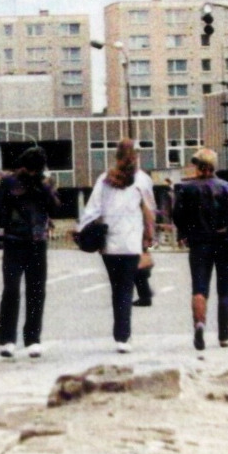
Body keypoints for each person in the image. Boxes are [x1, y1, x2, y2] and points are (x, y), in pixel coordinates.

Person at [78, 139, 156, 353]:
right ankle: (123, 336)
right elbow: (149, 211)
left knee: (116, 288)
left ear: (116, 156)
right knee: (126, 288)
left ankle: (120, 335)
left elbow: (93, 209)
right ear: (136, 156)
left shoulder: (104, 179)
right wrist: (149, 237)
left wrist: (83, 230)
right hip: (131, 243)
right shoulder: (142, 180)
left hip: (109, 244)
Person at [169, 149, 228, 354]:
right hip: (225, 242)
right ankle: (224, 337)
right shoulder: (225, 187)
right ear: (214, 166)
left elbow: (177, 215)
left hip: (198, 243)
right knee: (225, 290)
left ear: (198, 166)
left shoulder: (185, 188)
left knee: (199, 288)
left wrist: (184, 233)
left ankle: (199, 324)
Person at [0, 146, 55, 358]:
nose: (32, 173)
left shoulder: (43, 184)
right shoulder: (9, 183)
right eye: (30, 169)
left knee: (36, 291)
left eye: (36, 170)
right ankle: (7, 339)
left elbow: (55, 208)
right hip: (13, 242)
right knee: (11, 289)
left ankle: (33, 339)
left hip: (37, 242)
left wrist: (45, 189)